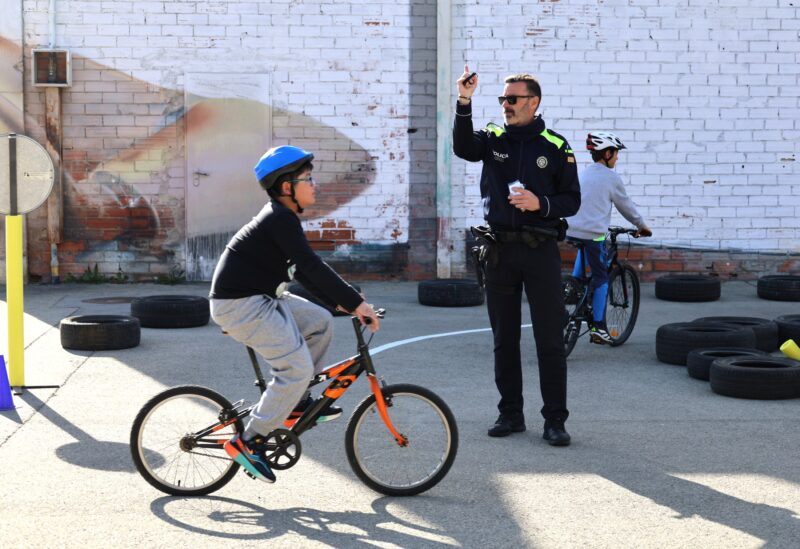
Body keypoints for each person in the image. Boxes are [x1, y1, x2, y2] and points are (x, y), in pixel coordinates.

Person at [209, 145, 380, 483]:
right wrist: (357, 303)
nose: (314, 184)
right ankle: (249, 440)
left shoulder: (284, 219)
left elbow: (301, 271)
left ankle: (297, 401)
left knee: (319, 322)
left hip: (263, 298)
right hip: (241, 305)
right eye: (308, 178)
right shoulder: (278, 218)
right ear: (287, 187)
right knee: (296, 367)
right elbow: (311, 265)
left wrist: (341, 304)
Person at [453, 65, 581, 446]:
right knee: (503, 338)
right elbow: (462, 148)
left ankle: (555, 420)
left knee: (549, 340)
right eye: (503, 99)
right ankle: (510, 414)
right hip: (499, 252)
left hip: (540, 251)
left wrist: (539, 202)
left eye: (513, 99)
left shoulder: (556, 147)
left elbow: (571, 201)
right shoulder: (493, 138)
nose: (506, 105)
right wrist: (464, 100)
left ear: (534, 102)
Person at [567, 132, 652, 344]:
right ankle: (599, 327)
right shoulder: (611, 178)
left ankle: (575, 287)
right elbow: (626, 207)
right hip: (593, 233)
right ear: (607, 153)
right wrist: (642, 226)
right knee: (601, 278)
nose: (617, 158)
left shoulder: (584, 174)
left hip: (570, 229)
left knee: (584, 248)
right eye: (615, 153)